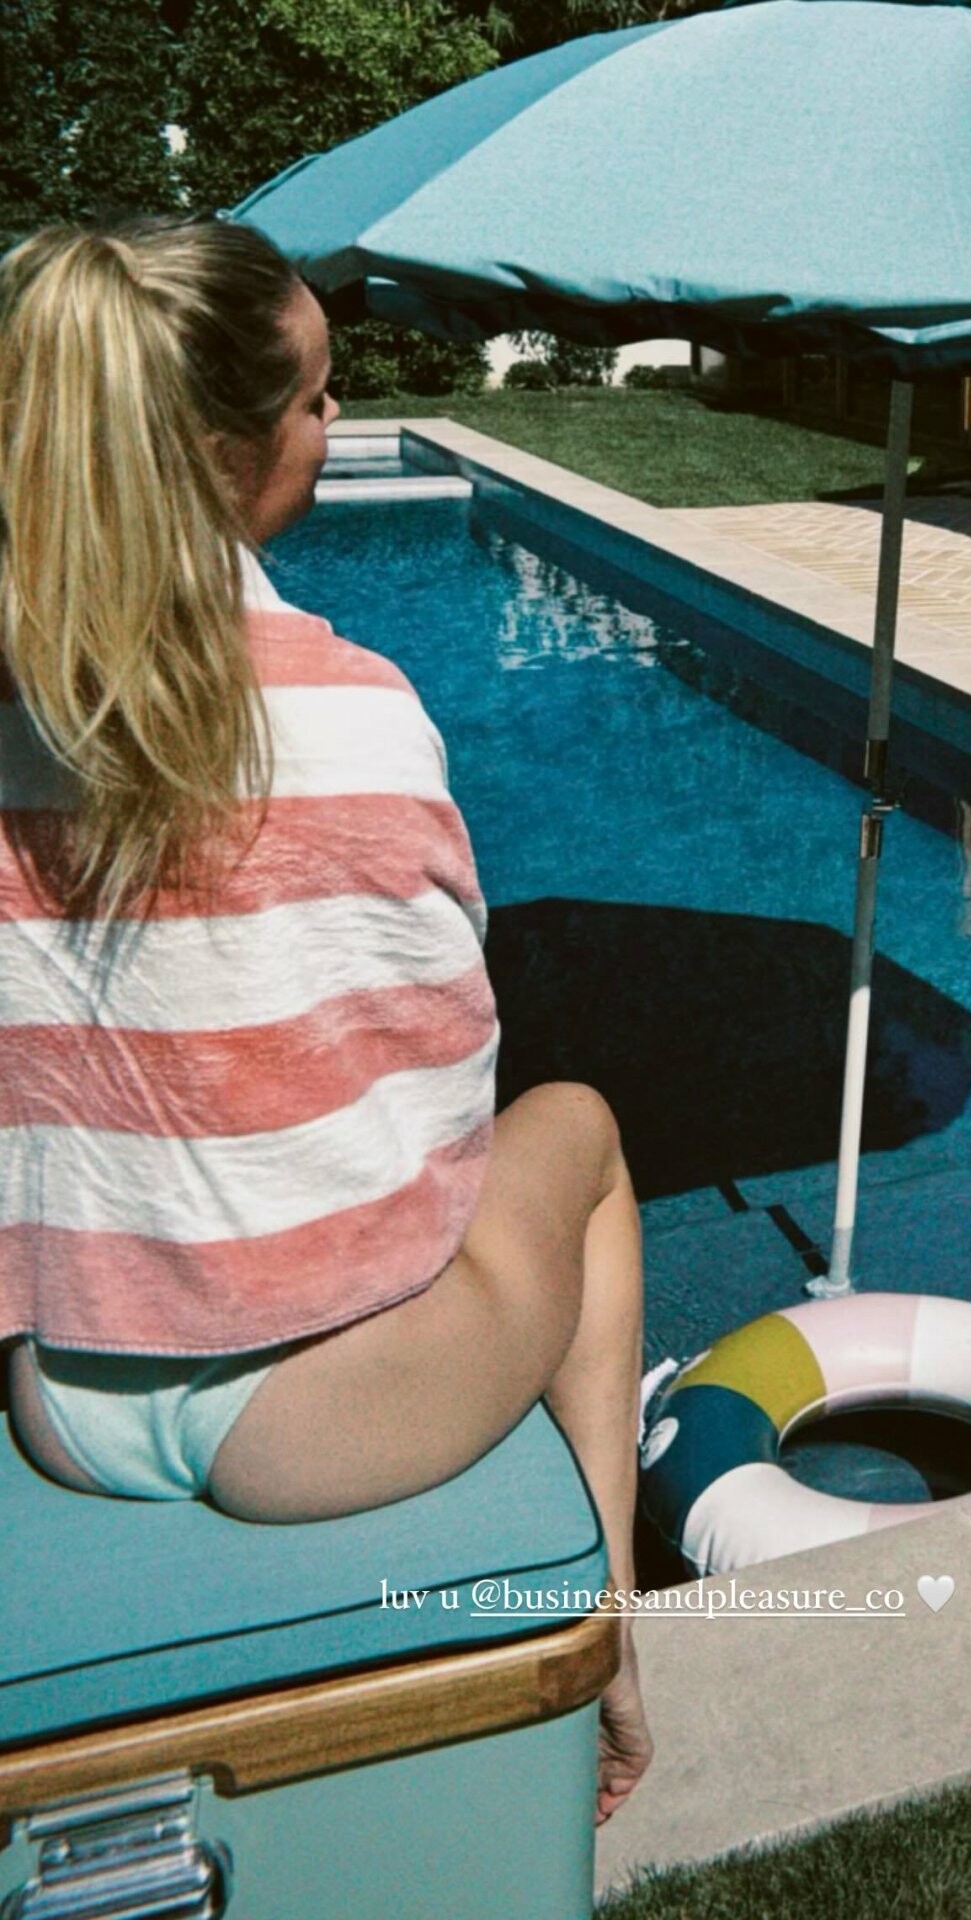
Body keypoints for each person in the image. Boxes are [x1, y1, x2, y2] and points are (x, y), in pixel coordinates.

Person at [0, 217, 651, 1825]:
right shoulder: (349, 712)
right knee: (576, 1131)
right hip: (319, 1417)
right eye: (312, 399)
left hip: (65, 1390)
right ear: (228, 452)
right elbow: (442, 1083)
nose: (335, 422)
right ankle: (609, 1628)